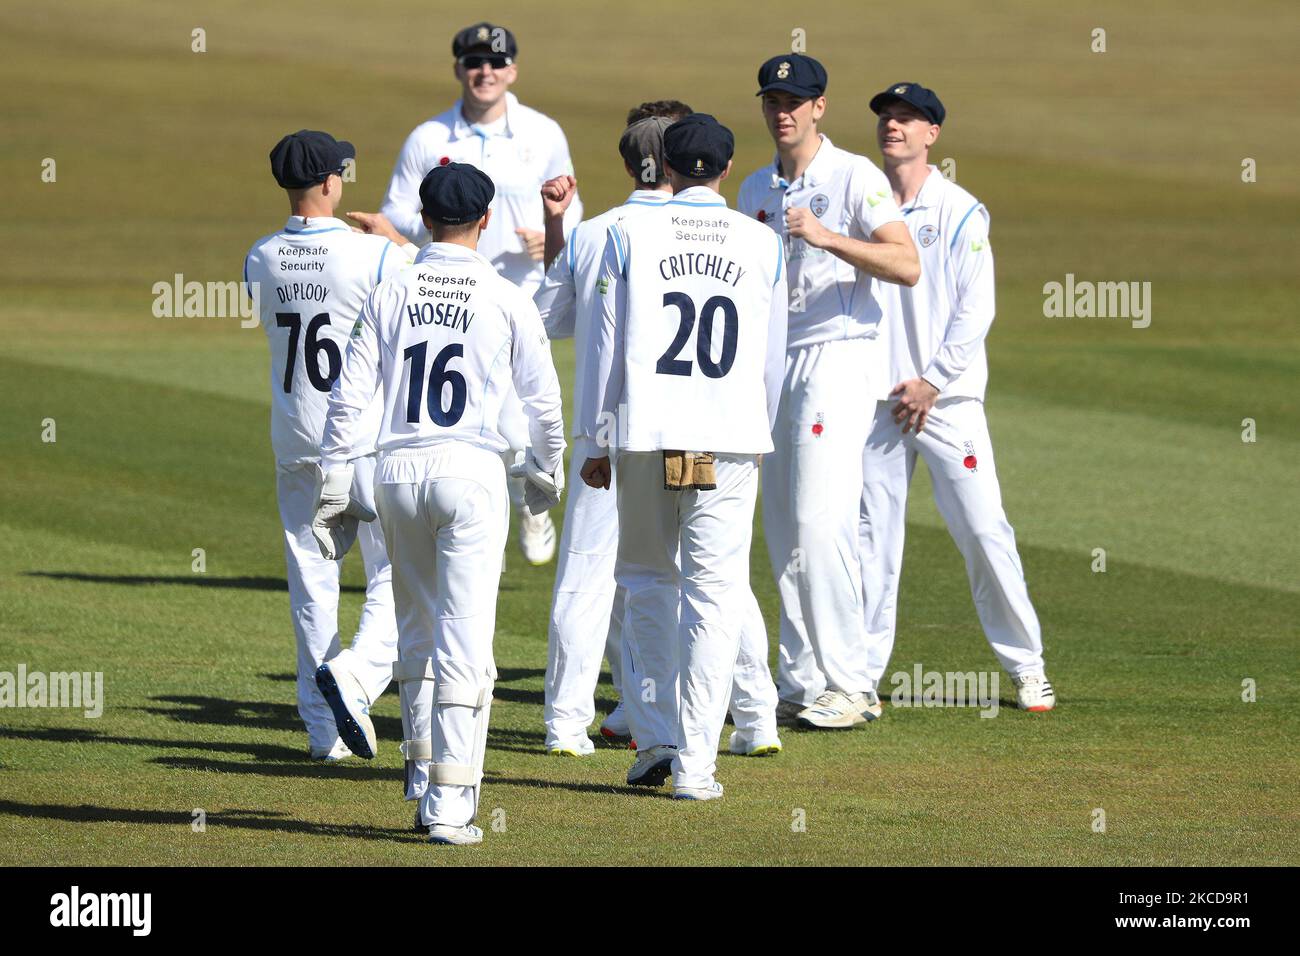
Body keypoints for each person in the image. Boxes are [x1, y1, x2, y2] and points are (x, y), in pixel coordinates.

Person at [315, 162, 565, 845]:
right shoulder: (505, 293)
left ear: (424, 219)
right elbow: (541, 397)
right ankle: (450, 804)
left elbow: (349, 395)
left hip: (396, 472)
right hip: (471, 472)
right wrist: (549, 469)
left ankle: (423, 774)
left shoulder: (391, 288)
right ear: (484, 222)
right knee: (463, 640)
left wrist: (336, 483)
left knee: (418, 632)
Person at [534, 103, 782, 758]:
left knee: (621, 580)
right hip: (718, 437)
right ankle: (738, 730)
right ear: (721, 167)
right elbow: (771, 359)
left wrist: (599, 438)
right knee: (716, 585)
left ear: (652, 165)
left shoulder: (615, 235)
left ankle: (613, 732)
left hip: (630, 436)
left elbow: (581, 332)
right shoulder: (756, 240)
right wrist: (760, 436)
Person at [737, 54, 920, 729]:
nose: (783, 111)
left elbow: (906, 263)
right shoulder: (755, 186)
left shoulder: (854, 176)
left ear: (819, 108)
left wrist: (826, 236)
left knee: (820, 522)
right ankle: (802, 678)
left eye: (796, 100)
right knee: (783, 528)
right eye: (772, 99)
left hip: (839, 355)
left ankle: (853, 682)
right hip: (774, 364)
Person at [859, 83, 1055, 710]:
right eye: (888, 119)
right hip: (876, 400)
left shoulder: (962, 210)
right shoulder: (861, 206)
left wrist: (933, 380)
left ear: (932, 135)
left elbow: (978, 307)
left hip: (947, 403)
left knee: (983, 532)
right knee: (871, 542)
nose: (894, 127)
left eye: (907, 120)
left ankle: (1027, 666)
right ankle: (858, 677)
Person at [374, 21, 582, 567]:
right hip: (448, 292)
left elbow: (571, 205)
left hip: (525, 291)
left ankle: (527, 494)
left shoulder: (542, 133)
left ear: (512, 70)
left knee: (523, 401)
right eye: (473, 62)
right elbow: (400, 211)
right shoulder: (429, 138)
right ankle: (489, 504)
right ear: (458, 69)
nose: (483, 72)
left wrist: (552, 232)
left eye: (494, 63)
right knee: (472, 408)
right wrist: (392, 234)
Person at [242, 130, 402, 762]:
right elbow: (445, 275)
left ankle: (322, 734)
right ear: (333, 183)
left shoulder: (261, 256)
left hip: (297, 438)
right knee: (401, 572)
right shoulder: (372, 256)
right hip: (365, 441)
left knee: (313, 581)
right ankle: (360, 672)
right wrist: (392, 238)